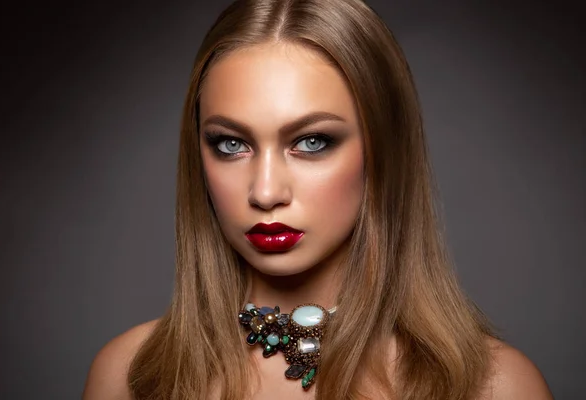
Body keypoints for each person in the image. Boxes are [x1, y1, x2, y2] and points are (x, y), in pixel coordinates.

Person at [83, 0, 554, 399]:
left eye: (311, 142)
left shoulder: (494, 386)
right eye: (231, 144)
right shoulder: (129, 375)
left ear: (383, 150)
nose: (265, 192)